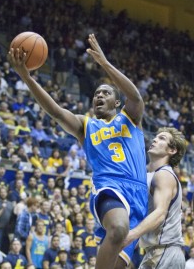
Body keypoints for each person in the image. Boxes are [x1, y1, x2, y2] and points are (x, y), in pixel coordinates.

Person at [8, 33, 148, 268]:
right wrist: (27, 77)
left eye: (106, 92)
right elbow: (55, 112)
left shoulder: (130, 117)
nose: (99, 95)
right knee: (118, 228)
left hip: (139, 196)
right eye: (96, 94)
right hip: (109, 186)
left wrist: (104, 63)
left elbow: (134, 96)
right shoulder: (86, 125)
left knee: (120, 263)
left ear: (116, 103)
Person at [123, 127, 187, 268]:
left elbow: (160, 213)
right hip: (155, 252)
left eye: (162, 138)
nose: (155, 139)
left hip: (165, 251)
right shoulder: (147, 174)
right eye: (156, 137)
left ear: (172, 150)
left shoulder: (164, 175)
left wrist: (131, 235)